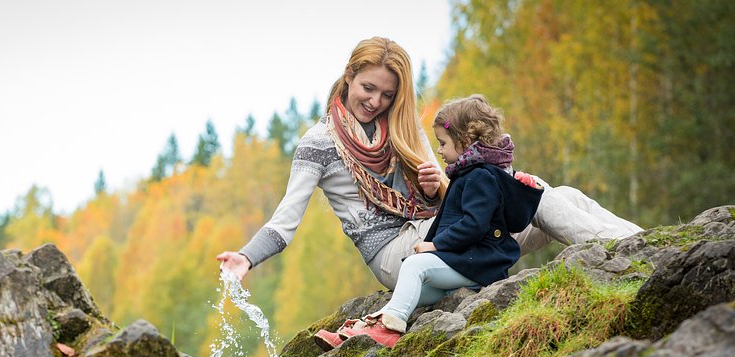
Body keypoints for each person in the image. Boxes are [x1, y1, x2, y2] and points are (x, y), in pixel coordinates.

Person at [215, 37, 641, 317]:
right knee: (538, 194)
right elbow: (285, 220)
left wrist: (439, 185)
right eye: (367, 88)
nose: (376, 102)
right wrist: (246, 257)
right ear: (349, 77)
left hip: (447, 231)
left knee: (555, 193)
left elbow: (459, 198)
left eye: (387, 94)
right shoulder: (318, 142)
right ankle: (634, 258)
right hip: (396, 254)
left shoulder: (404, 127)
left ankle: (646, 246)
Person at [315, 94, 542, 349]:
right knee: (411, 292)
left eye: (443, 143)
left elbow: (474, 225)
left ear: (465, 141)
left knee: (415, 266)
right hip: (468, 262)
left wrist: (435, 246)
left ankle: (389, 329)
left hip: (480, 262)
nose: (439, 151)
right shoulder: (469, 174)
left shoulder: (480, 177)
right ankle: (365, 332)